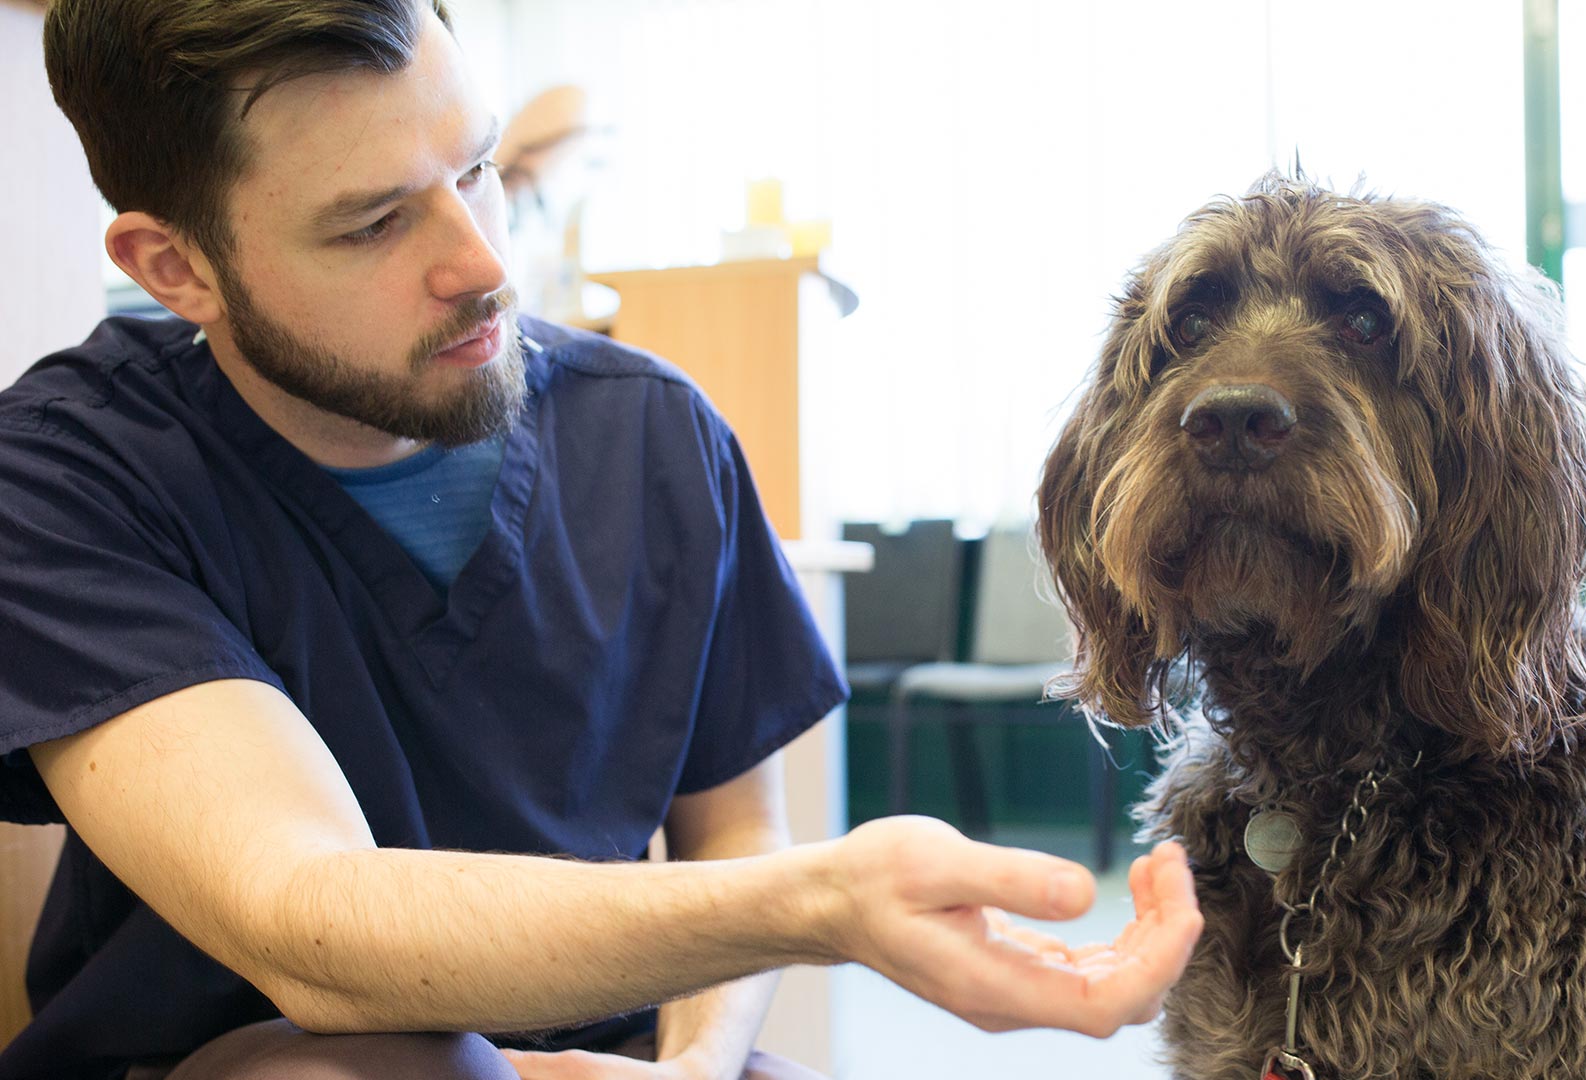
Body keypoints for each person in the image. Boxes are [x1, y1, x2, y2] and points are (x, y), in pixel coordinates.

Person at [0, 2, 1203, 1078]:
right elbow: (310, 923)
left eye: (475, 170)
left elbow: (730, 830)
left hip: (608, 1043)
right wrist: (827, 901)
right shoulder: (71, 476)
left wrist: (694, 1066)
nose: (482, 264)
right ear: (176, 268)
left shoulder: (651, 434)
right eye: (372, 224)